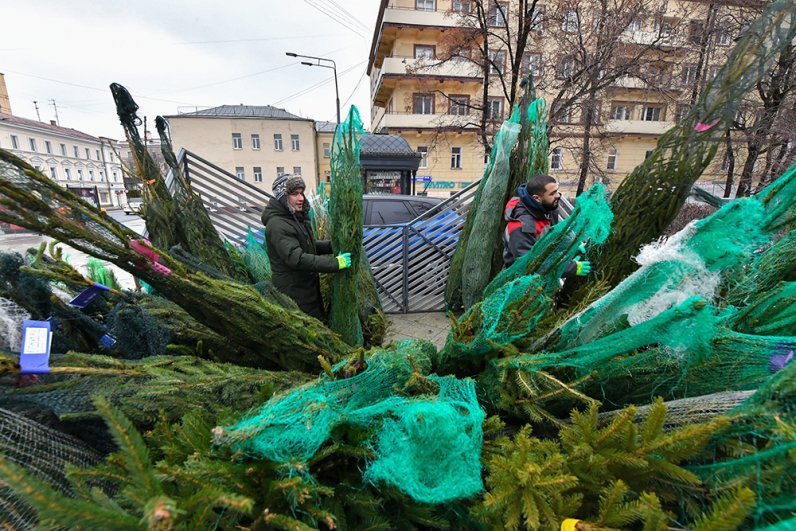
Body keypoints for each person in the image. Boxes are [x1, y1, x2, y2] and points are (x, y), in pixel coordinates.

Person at [262, 173, 351, 320]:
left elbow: (307, 245)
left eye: (301, 193)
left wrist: (332, 247)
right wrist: (335, 263)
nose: (301, 198)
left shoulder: (294, 217)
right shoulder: (277, 224)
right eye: (295, 194)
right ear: (283, 197)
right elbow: (296, 258)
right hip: (294, 295)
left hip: (307, 290)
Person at [502, 173, 591, 277]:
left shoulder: (547, 209)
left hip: (543, 275)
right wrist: (571, 268)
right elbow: (530, 265)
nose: (558, 195)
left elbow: (550, 239)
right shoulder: (522, 227)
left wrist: (571, 247)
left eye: (557, 191)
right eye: (552, 193)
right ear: (537, 198)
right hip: (520, 282)